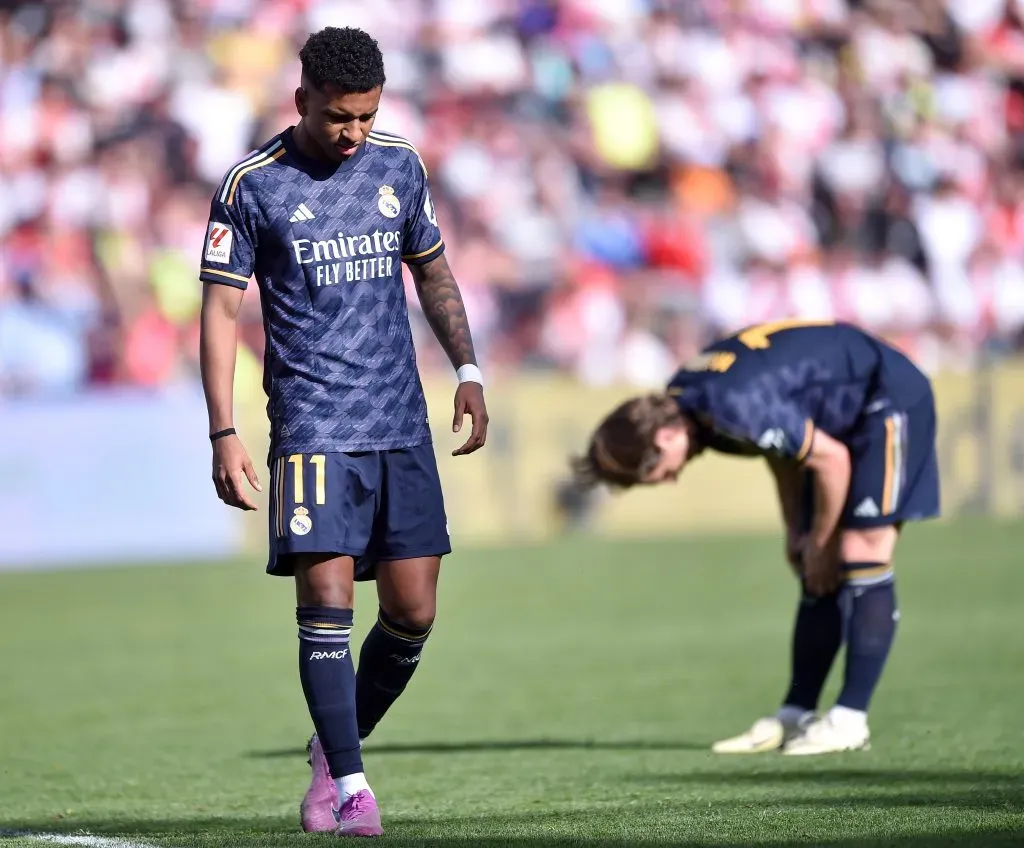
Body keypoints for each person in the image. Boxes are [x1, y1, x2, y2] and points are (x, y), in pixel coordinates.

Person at [198, 26, 488, 837]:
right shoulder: (252, 185)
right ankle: (353, 785)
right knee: (325, 601)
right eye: (337, 117)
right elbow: (221, 309)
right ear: (301, 101)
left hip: (399, 422)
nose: (353, 132)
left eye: (365, 115)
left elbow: (431, 268)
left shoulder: (400, 164)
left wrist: (467, 370)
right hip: (313, 423)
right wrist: (223, 429)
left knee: (414, 613)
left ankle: (332, 749)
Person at [571, 320, 940, 755]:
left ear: (665, 436)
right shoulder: (689, 399)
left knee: (860, 550)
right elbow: (781, 449)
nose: (668, 481)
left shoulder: (727, 406)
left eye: (653, 473)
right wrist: (797, 531)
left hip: (887, 399)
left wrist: (821, 540)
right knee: (813, 561)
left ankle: (849, 718)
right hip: (841, 417)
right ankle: (795, 713)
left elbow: (831, 460)